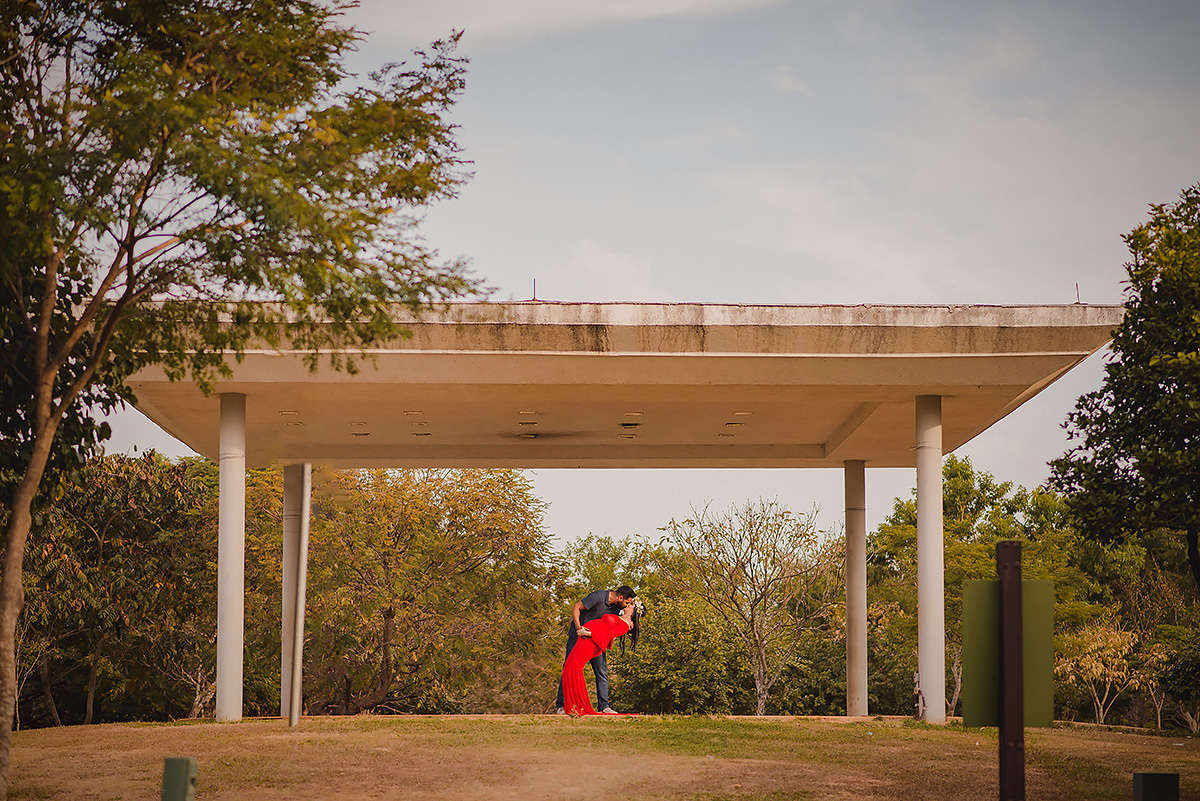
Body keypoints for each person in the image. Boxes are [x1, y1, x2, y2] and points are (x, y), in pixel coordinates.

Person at [556, 585, 636, 714]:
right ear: (620, 597)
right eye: (626, 602)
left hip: (596, 642)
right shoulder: (598, 597)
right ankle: (562, 705)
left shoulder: (616, 608)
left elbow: (613, 628)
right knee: (569, 667)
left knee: (601, 672)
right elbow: (576, 607)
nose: (626, 605)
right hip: (579, 638)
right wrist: (579, 628)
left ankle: (604, 706)